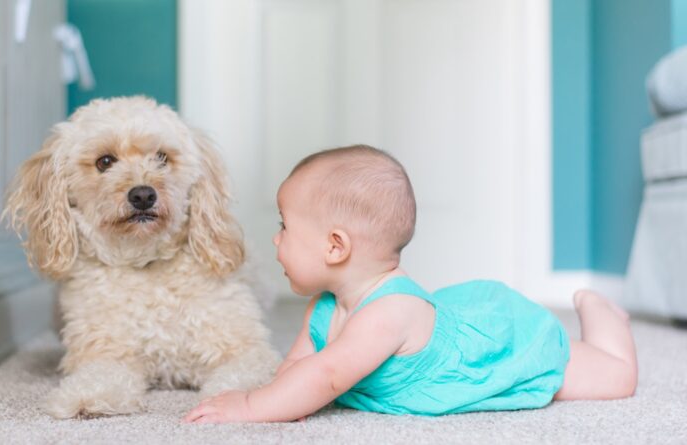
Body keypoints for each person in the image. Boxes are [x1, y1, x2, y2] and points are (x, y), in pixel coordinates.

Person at [182, 144, 638, 423]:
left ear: (335, 247)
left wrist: (249, 407)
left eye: (285, 227)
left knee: (616, 379)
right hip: (447, 318)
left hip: (495, 345)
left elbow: (326, 375)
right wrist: (280, 399)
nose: (276, 239)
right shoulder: (323, 307)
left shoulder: (387, 314)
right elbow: (298, 369)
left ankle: (601, 313)